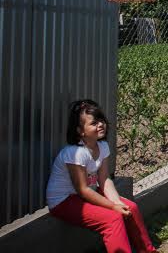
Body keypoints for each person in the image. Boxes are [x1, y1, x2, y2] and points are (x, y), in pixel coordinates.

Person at [46, 100, 156, 253]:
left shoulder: (102, 146)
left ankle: (148, 251)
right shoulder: (75, 153)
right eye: (93, 123)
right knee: (112, 219)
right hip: (64, 200)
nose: (100, 124)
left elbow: (104, 179)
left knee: (130, 208)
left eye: (101, 120)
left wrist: (117, 202)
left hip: (84, 195)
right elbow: (83, 190)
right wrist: (112, 207)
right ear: (80, 131)